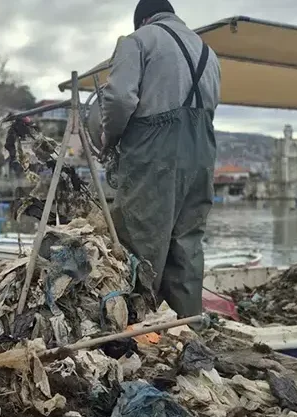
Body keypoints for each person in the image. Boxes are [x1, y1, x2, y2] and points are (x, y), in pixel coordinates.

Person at [101, 0, 221, 323]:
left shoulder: (137, 41)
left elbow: (119, 98)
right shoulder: (208, 53)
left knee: (139, 241)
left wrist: (109, 139)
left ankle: (136, 329)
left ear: (143, 20)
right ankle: (187, 328)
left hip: (154, 151)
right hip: (202, 152)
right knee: (187, 245)